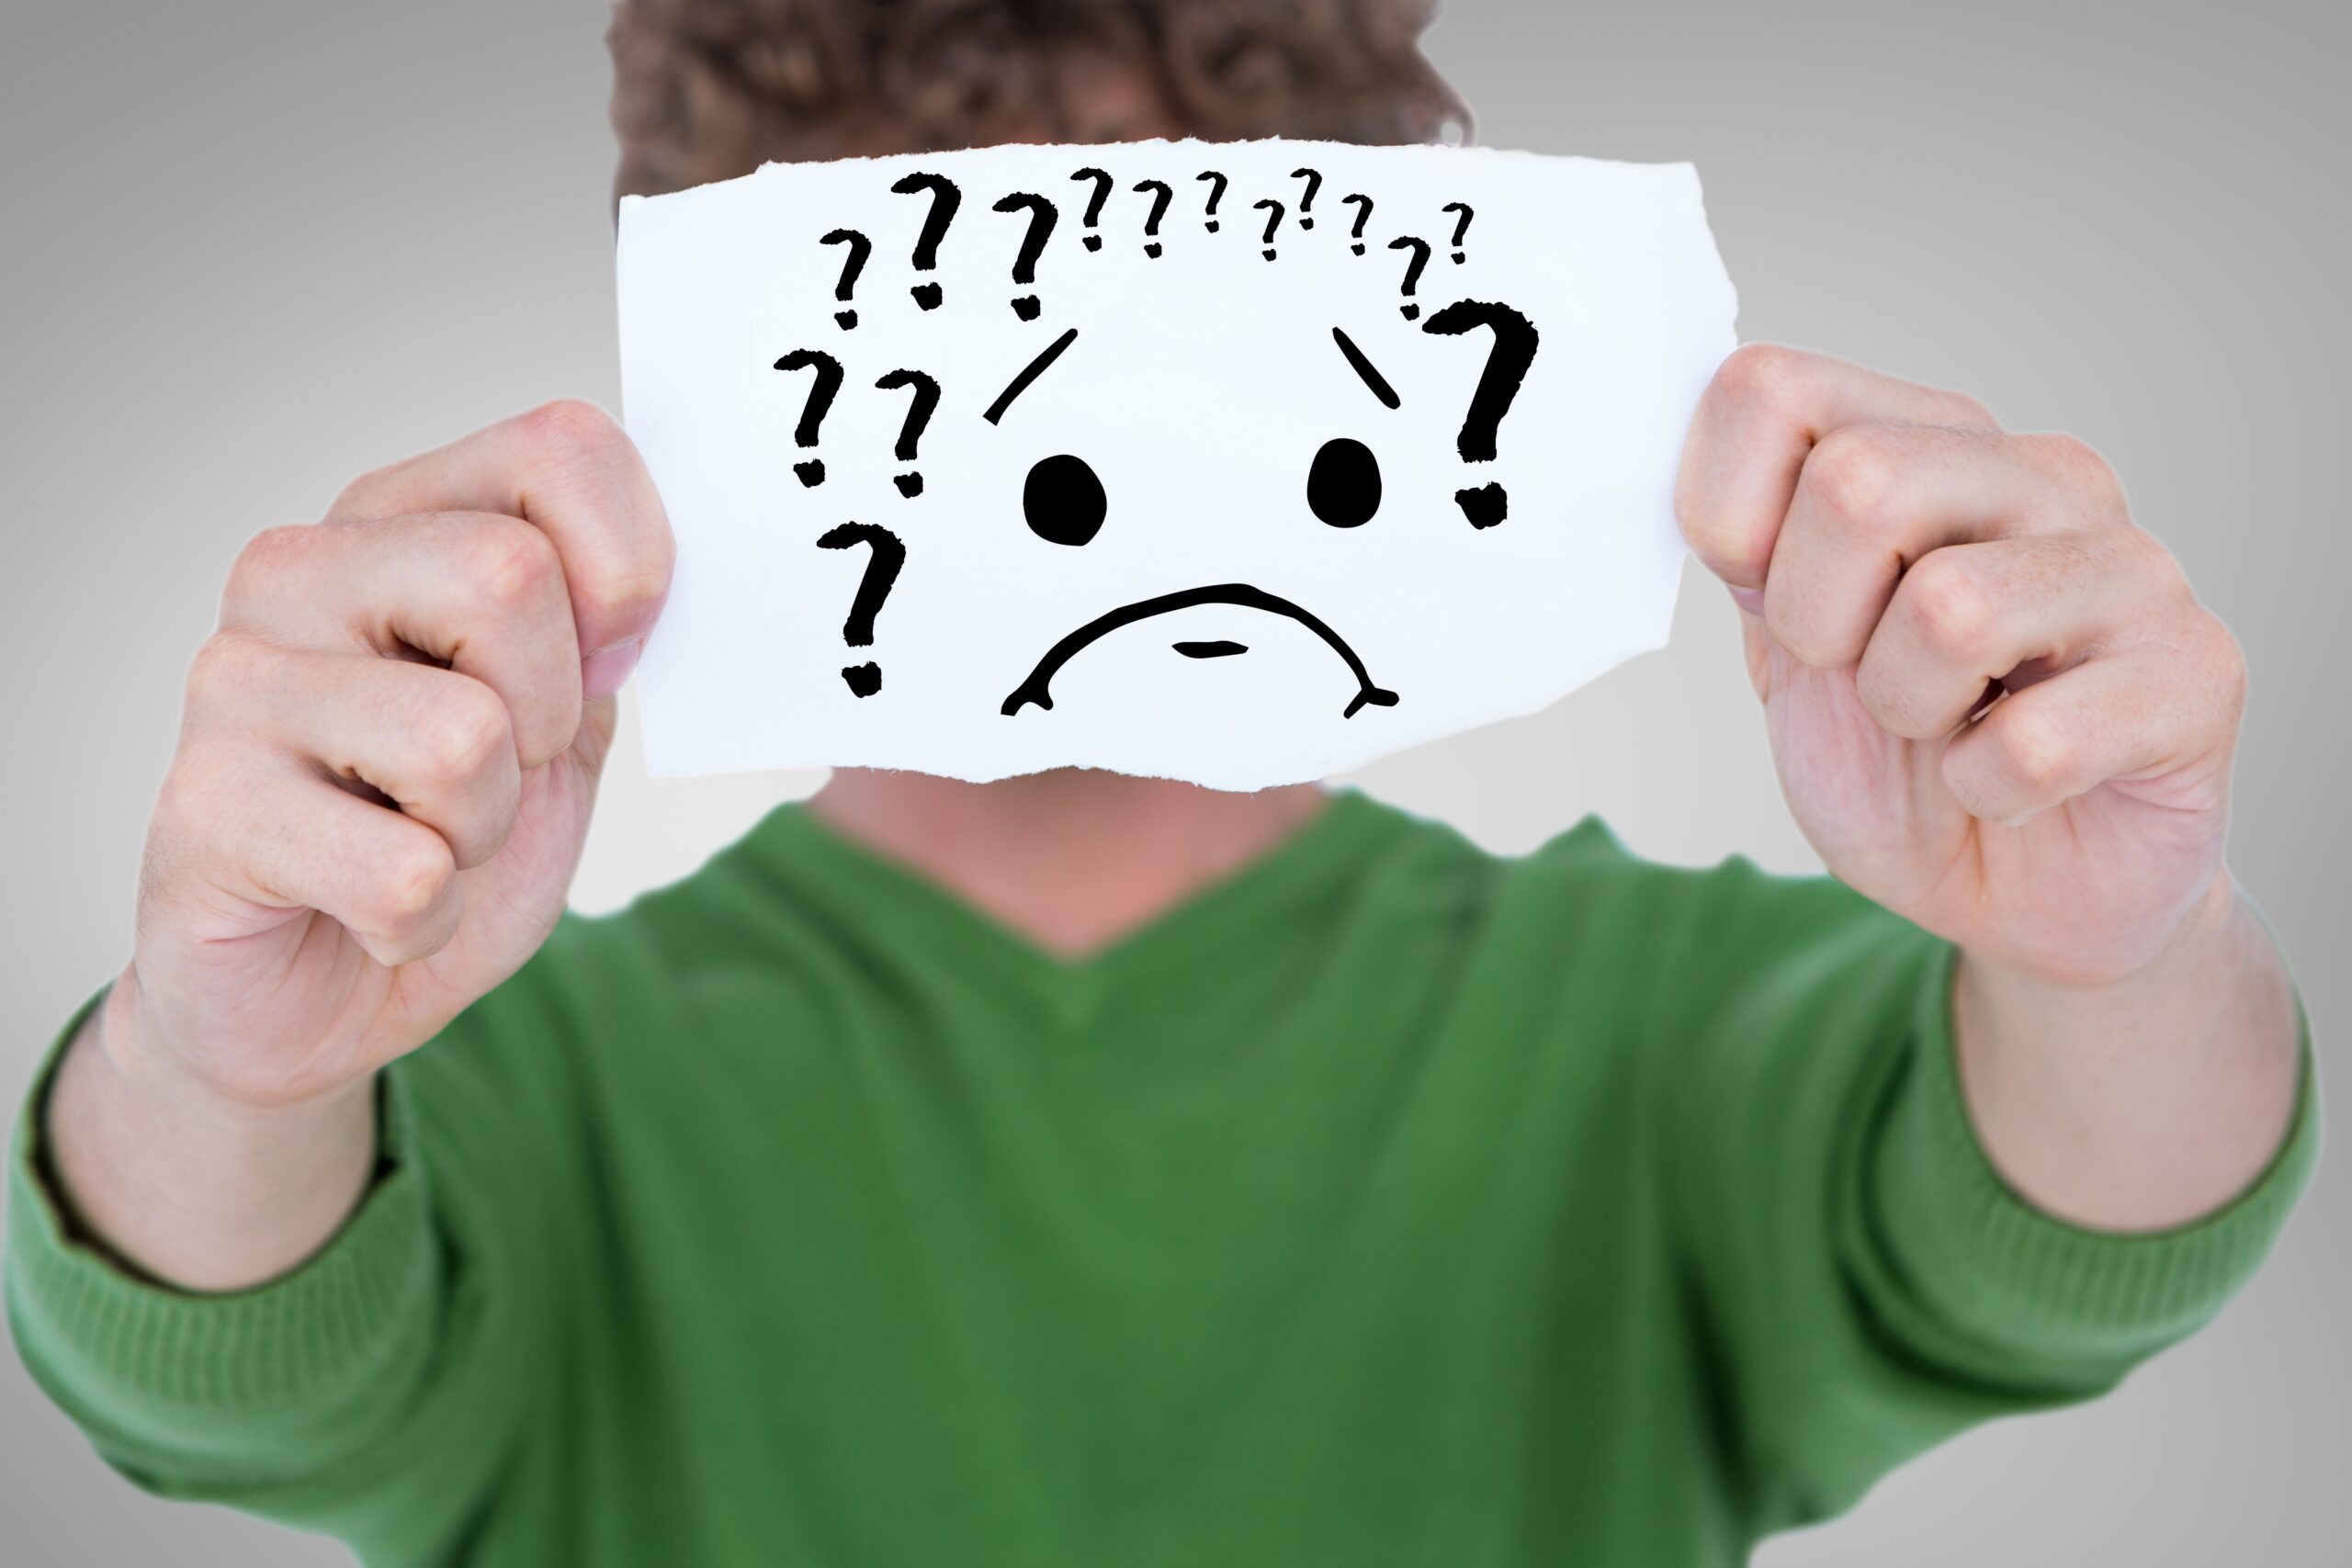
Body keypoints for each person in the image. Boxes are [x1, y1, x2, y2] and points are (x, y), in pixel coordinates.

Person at [6, 2, 2314, 1564]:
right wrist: (225, 1055)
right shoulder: (515, 1073)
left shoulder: (1646, 1010)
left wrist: (2107, 946)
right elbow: (219, 1357)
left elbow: (2056, 1224)